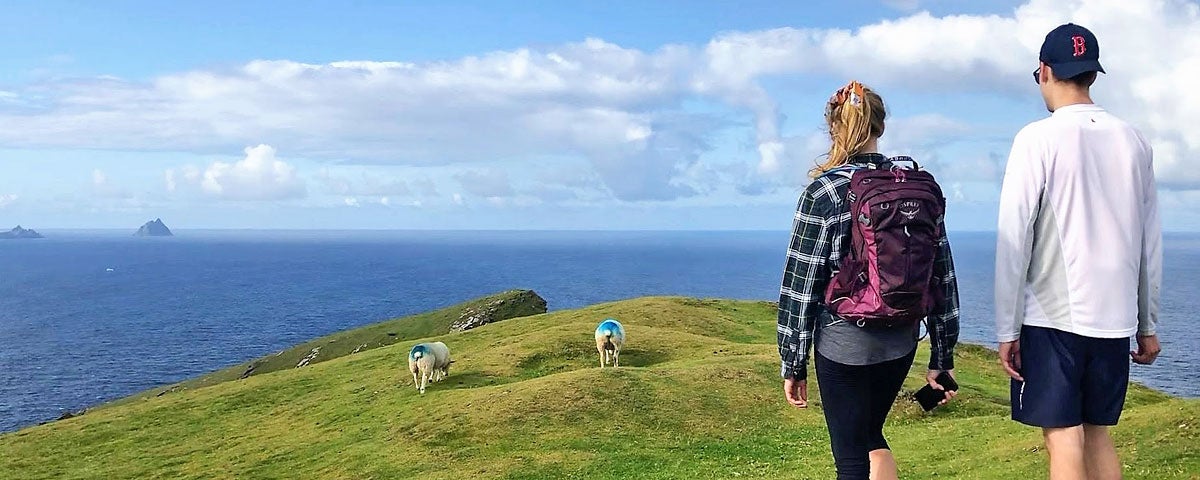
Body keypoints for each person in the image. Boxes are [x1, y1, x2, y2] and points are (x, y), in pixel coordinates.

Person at [995, 23, 1162, 480]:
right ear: (1092, 73)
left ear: (1044, 71)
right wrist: (1147, 324)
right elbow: (1150, 242)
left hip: (1053, 318)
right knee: (1098, 433)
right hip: (1115, 319)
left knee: (1063, 436)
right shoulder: (1135, 140)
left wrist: (1007, 329)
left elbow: (1015, 239)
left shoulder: (1037, 138)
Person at [777, 80, 961, 480]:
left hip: (845, 344)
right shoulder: (917, 187)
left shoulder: (823, 191)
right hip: (901, 341)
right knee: (869, 434)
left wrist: (792, 362)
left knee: (850, 456)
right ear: (879, 126)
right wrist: (941, 359)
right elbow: (942, 275)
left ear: (833, 129)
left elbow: (800, 284)